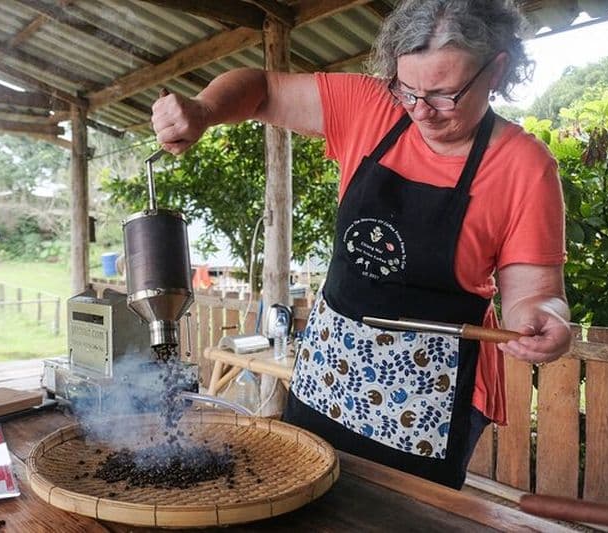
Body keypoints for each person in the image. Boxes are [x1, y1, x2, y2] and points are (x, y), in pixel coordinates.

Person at [151, 0, 571, 489]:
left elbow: (536, 293)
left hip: (427, 397)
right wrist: (204, 110)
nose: (421, 110)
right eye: (407, 90)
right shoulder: (370, 105)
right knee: (298, 495)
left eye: (444, 95)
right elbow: (261, 88)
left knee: (401, 515)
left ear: (495, 70)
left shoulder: (523, 166)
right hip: (331, 371)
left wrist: (543, 317)